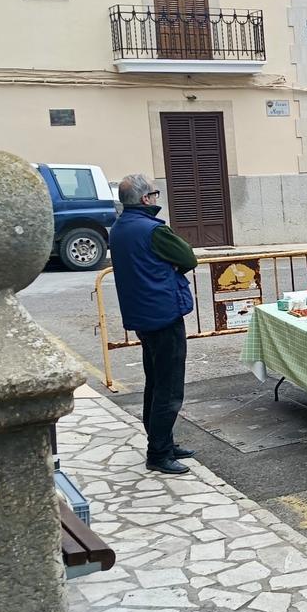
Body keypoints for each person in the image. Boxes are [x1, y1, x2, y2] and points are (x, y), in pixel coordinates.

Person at [109, 174, 198, 476]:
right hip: (163, 313)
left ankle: (163, 441)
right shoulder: (152, 230)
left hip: (143, 315)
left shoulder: (119, 228)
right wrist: (173, 265)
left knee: (155, 382)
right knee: (169, 388)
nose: (157, 198)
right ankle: (159, 453)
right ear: (146, 199)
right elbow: (188, 256)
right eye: (155, 193)